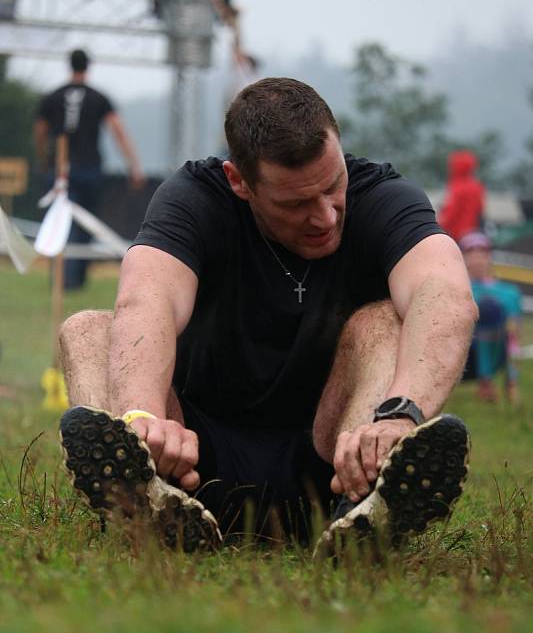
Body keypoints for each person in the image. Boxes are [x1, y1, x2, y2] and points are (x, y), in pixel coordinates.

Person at [58, 77, 477, 556]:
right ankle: (146, 503)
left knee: (386, 319)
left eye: (333, 187)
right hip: (192, 465)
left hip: (333, 469)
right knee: (87, 330)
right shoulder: (194, 196)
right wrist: (143, 418)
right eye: (295, 203)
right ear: (239, 181)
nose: (324, 217)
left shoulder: (384, 194)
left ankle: (370, 509)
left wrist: (402, 415)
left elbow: (444, 295)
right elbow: (146, 298)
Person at [34, 48, 144, 290]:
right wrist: (133, 165)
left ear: (69, 66)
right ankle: (74, 279)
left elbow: (40, 131)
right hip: (89, 168)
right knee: (85, 223)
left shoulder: (52, 97)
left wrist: (44, 158)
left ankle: (66, 278)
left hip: (59, 169)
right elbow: (118, 131)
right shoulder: (98, 98)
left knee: (61, 224)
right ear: (88, 67)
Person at [460, 231, 522, 403]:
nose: (477, 260)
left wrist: (512, 380)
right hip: (463, 355)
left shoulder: (509, 293)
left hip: (497, 351)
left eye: (481, 254)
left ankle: (493, 381)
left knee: (491, 310)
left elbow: (514, 336)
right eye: (471, 255)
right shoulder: (455, 289)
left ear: (489, 257)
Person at [437, 150, 486, 244]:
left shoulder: (457, 187)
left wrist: (437, 226)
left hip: (455, 235)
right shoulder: (477, 186)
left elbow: (450, 213)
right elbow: (480, 211)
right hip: (471, 235)